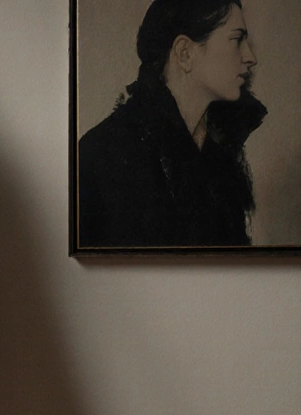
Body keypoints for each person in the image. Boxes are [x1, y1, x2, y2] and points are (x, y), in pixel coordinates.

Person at [78, 0, 267, 248]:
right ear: (185, 53)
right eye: (236, 40)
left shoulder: (219, 154)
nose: (250, 57)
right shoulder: (103, 152)